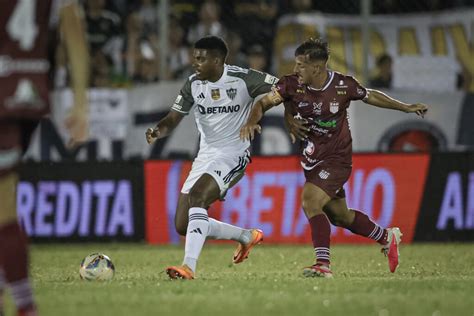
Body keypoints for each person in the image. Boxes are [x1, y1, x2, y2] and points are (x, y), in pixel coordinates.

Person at [240, 38, 428, 278]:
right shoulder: (291, 84)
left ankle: (323, 264)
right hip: (312, 159)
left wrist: (406, 107)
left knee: (310, 201)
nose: (295, 70)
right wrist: (253, 121)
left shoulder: (342, 86)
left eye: (300, 65)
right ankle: (386, 237)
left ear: (316, 68)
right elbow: (264, 103)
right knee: (341, 216)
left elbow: (370, 96)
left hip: (337, 159)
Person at [145, 36, 278, 280]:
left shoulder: (243, 78)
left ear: (217, 60)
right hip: (205, 155)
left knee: (198, 197)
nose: (194, 62)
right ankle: (246, 236)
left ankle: (188, 267)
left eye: (200, 58)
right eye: (194, 57)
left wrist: (286, 115)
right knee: (183, 225)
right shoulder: (193, 84)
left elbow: (283, 88)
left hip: (234, 153)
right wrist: (157, 131)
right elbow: (173, 118)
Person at [0, 1, 89, 314]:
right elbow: (73, 29)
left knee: (4, 210)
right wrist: (80, 102)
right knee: (4, 205)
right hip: (29, 96)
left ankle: (26, 305)